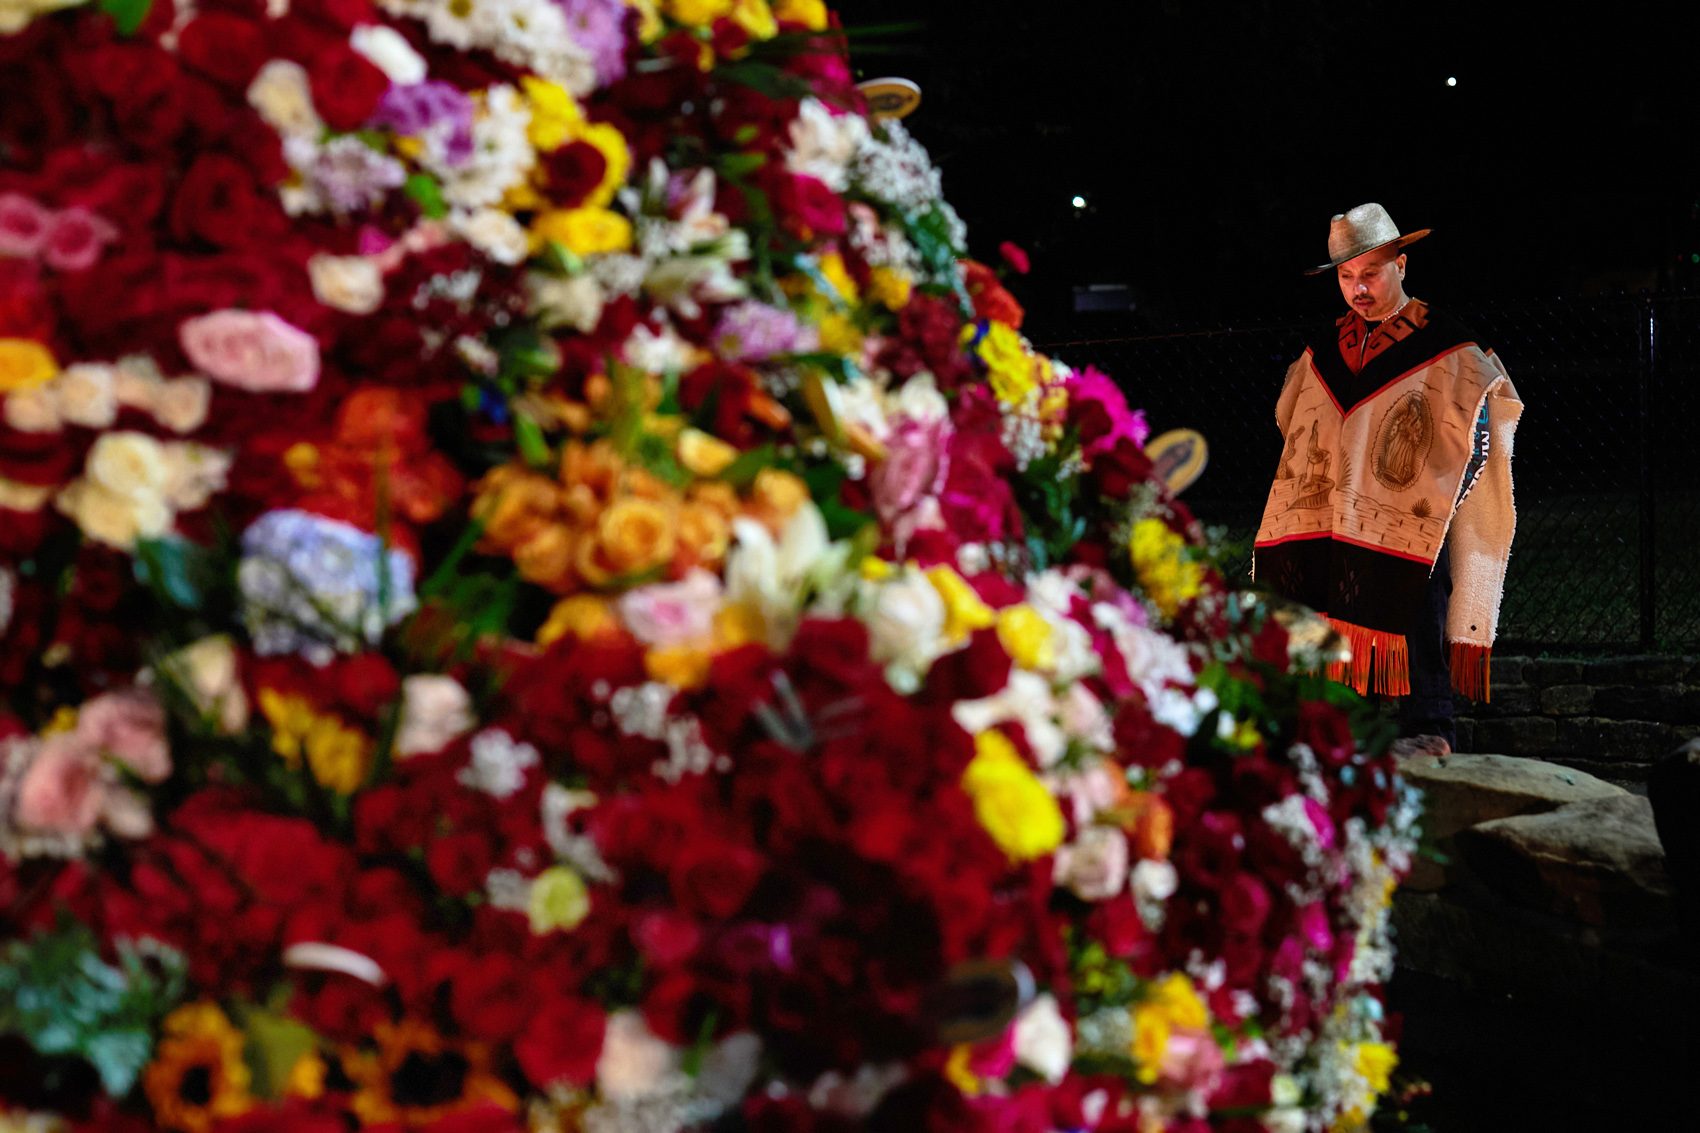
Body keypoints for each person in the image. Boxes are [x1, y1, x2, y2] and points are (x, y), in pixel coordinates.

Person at [1252, 203, 1523, 750]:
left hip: (1415, 515)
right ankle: (1353, 730)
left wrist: (1444, 496)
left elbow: (1484, 416)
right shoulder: (1325, 352)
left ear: (1401, 265)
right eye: (1347, 277)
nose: (1359, 288)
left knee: (1419, 605)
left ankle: (1430, 726)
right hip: (1334, 512)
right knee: (1332, 606)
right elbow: (1293, 420)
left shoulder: (1445, 346)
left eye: (1371, 272)